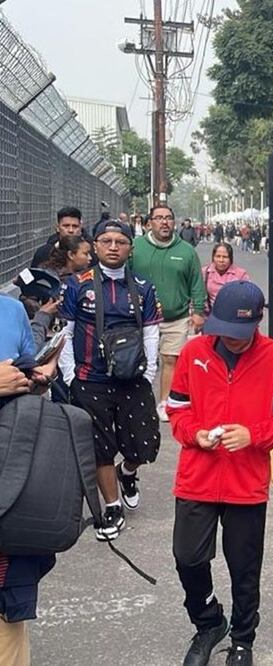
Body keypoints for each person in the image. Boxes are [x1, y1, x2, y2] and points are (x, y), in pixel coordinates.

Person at [167, 281, 273, 666]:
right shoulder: (194, 353)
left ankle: (243, 640)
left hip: (247, 483)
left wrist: (252, 436)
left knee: (245, 568)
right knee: (187, 558)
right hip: (197, 477)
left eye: (241, 334)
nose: (232, 339)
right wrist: (197, 435)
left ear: (257, 323)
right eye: (224, 330)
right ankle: (209, 622)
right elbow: (177, 411)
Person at [59, 219, 163, 541]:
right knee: (100, 447)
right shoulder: (78, 285)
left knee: (144, 445)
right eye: (106, 241)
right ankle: (112, 505)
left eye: (120, 241)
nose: (114, 247)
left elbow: (150, 332)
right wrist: (70, 375)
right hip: (91, 378)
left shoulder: (144, 287)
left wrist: (148, 373)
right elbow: (66, 332)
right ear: (95, 246)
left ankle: (127, 473)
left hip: (132, 379)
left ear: (130, 248)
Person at [0, 296, 59, 666]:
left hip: (9, 482)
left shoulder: (10, 309)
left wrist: (36, 376)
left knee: (9, 628)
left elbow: (24, 381)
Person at [129, 204, 207, 423]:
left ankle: (164, 402)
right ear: (149, 223)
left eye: (168, 218)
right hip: (141, 319)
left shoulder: (186, 251)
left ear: (175, 222)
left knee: (171, 360)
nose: (164, 222)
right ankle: (137, 403)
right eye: (159, 218)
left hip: (177, 318)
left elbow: (196, 283)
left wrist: (198, 311)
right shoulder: (135, 248)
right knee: (138, 362)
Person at [203, 244, 249, 311]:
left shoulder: (241, 274)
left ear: (231, 258)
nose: (221, 260)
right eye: (218, 256)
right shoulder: (205, 272)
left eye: (225, 257)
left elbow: (248, 297)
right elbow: (197, 295)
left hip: (233, 315)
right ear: (213, 257)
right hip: (210, 314)